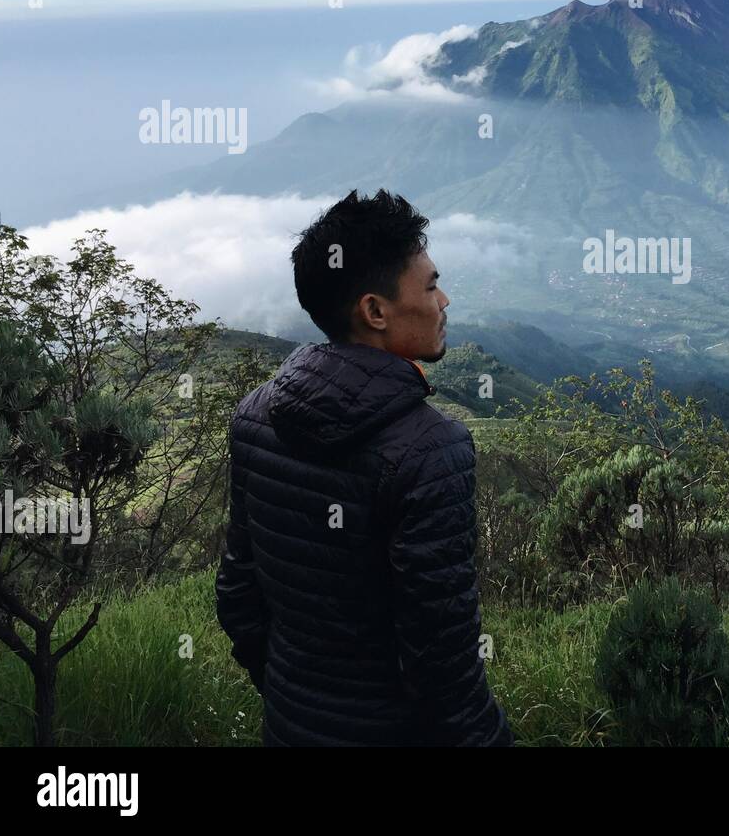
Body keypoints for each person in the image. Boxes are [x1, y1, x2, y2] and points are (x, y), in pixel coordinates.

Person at [215, 188, 513, 746]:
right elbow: (443, 665)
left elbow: (237, 594)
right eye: (429, 286)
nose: (443, 299)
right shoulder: (431, 450)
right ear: (375, 311)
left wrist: (291, 698)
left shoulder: (253, 417)